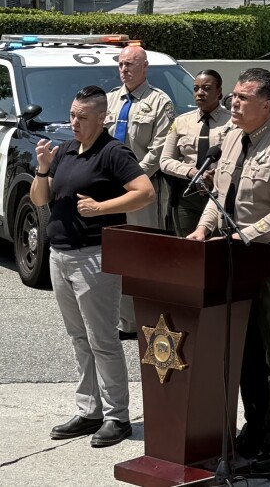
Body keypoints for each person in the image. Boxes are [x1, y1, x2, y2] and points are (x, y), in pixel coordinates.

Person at [187, 68, 270, 473]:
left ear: (267, 105)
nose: (232, 103)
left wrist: (247, 235)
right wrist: (203, 228)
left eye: (241, 98)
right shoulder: (232, 138)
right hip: (234, 257)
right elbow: (218, 195)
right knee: (244, 349)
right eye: (233, 96)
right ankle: (252, 429)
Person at [30, 85, 155, 448]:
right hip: (60, 254)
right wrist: (41, 170)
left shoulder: (113, 152)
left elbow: (144, 191)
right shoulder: (67, 148)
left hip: (94, 255)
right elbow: (41, 198)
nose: (74, 122)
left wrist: (101, 208)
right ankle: (89, 410)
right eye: (72, 115)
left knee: (103, 340)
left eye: (83, 117)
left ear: (102, 118)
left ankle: (117, 417)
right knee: (78, 338)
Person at [106, 45, 174, 339]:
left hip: (143, 191)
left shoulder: (160, 102)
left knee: (143, 257)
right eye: (121, 64)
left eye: (130, 64)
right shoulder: (109, 100)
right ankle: (124, 323)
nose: (124, 69)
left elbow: (158, 151)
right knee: (115, 257)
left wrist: (131, 178)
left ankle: (148, 321)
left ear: (145, 67)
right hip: (109, 192)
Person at [160, 69, 232, 237]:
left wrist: (216, 174)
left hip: (218, 193)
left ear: (219, 91)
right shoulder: (181, 121)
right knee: (188, 247)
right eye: (196, 88)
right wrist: (192, 172)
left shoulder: (232, 122)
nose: (200, 93)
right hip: (187, 196)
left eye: (206, 88)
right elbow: (165, 161)